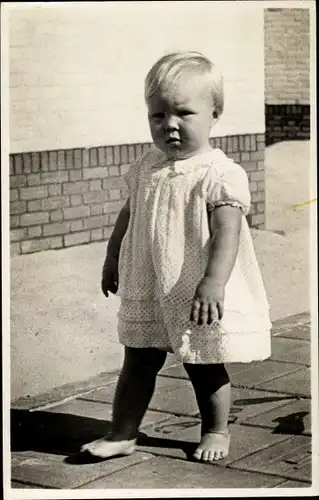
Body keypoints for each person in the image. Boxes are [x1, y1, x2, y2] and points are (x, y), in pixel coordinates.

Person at [81, 51, 271, 463]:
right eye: (157, 115)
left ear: (214, 113)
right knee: (137, 360)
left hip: (195, 286)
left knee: (202, 363)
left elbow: (227, 233)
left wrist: (213, 281)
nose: (169, 125)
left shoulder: (218, 174)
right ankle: (123, 432)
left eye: (184, 113)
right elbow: (129, 215)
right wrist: (112, 257)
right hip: (149, 282)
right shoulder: (147, 166)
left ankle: (217, 430)